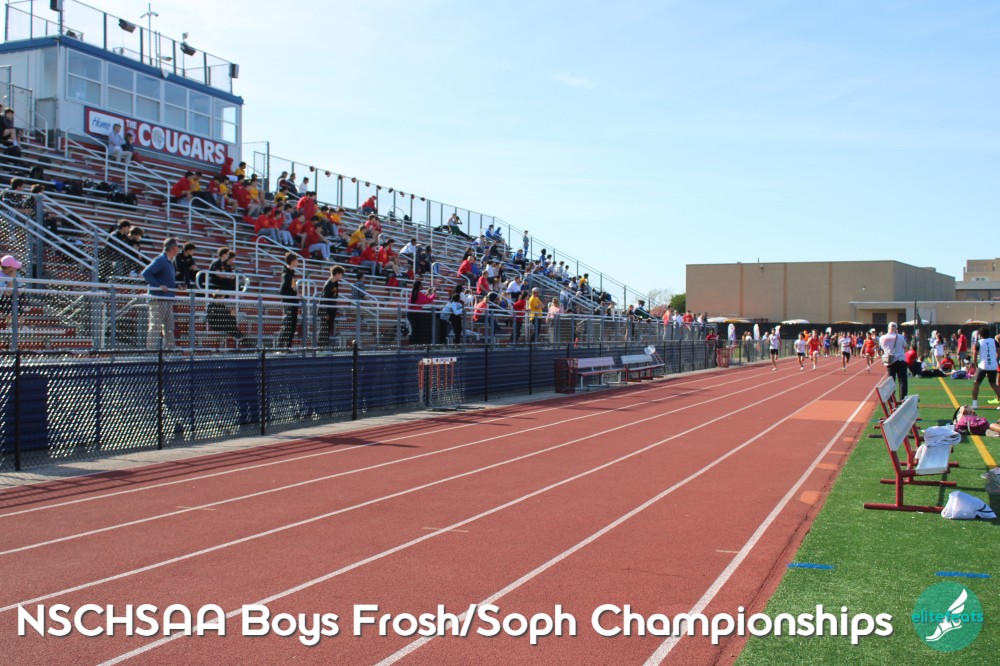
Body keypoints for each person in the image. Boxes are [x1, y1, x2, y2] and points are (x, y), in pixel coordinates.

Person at [141, 238, 180, 349]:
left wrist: (177, 286)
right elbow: (146, 273)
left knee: (169, 326)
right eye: (177, 247)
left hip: (167, 298)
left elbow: (167, 281)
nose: (179, 249)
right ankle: (151, 351)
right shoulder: (161, 260)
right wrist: (158, 285)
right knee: (156, 326)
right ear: (173, 248)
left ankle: (170, 349)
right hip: (158, 299)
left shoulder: (169, 262)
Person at [970, 326, 1000, 410]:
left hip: (983, 366)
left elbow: (974, 357)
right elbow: (999, 353)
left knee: (976, 383)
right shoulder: (994, 341)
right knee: (993, 384)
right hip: (993, 366)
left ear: (980, 335)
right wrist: (995, 361)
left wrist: (976, 367)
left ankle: (975, 404)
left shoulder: (978, 343)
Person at [879, 322, 909, 402]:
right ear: (896, 328)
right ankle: (903, 399)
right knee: (902, 381)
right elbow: (905, 346)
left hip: (890, 361)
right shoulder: (900, 337)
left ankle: (891, 400)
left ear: (888, 328)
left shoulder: (882, 338)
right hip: (900, 360)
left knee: (891, 382)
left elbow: (882, 347)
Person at [318, 265, 345, 348]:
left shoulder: (336, 284)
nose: (341, 276)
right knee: (324, 330)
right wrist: (325, 313)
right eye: (341, 274)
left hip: (332, 310)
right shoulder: (328, 284)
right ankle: (320, 348)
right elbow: (323, 299)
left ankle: (324, 347)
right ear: (337, 274)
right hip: (326, 311)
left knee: (328, 330)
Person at [277, 252, 300, 347]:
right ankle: (280, 347)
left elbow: (292, 288)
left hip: (293, 303)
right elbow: (282, 291)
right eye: (296, 260)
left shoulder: (291, 273)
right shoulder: (286, 274)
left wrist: (296, 294)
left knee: (292, 326)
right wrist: (294, 295)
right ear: (293, 261)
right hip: (289, 304)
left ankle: (288, 346)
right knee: (287, 325)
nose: (298, 262)